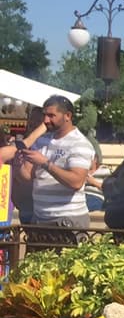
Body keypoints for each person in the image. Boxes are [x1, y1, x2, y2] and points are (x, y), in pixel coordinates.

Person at [22, 96, 95, 229]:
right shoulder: (41, 140)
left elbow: (76, 182)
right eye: (44, 115)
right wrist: (19, 160)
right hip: (39, 217)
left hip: (67, 220)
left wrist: (45, 163)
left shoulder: (79, 143)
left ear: (67, 116)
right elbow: (27, 176)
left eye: (51, 116)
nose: (45, 120)